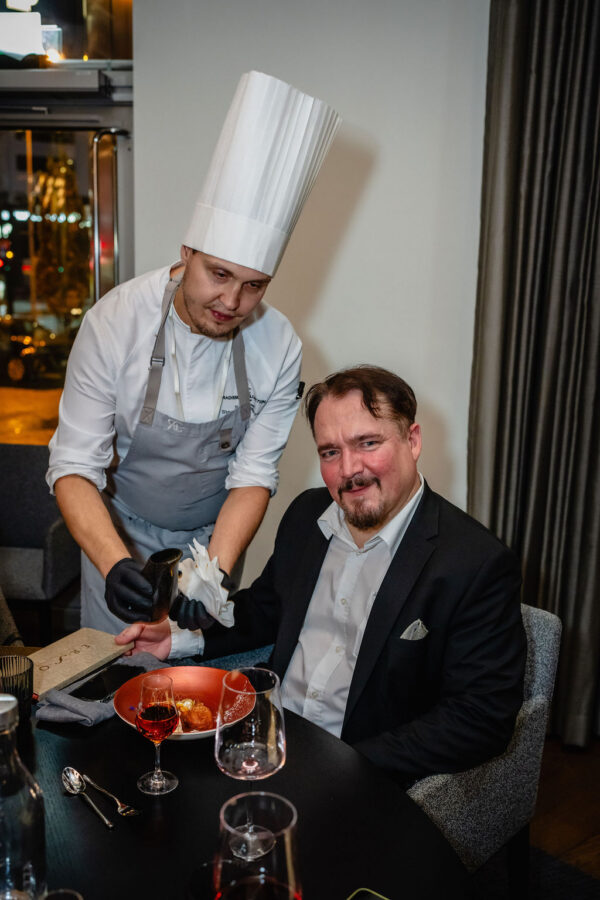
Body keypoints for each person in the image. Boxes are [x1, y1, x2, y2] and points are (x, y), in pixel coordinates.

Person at [116, 365, 527, 787]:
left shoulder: (475, 563)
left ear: (413, 440)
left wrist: (345, 766)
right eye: (330, 452)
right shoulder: (306, 515)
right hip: (265, 740)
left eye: (368, 443)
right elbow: (266, 609)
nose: (349, 469)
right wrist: (178, 638)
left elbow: (481, 718)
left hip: (361, 776)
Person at [46, 71, 341, 635]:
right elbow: (74, 466)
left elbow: (253, 475)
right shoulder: (114, 324)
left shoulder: (279, 345)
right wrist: (114, 565)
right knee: (117, 670)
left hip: (212, 541)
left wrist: (214, 572)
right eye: (219, 274)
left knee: (196, 671)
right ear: (186, 252)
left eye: (254, 285)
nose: (232, 302)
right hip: (117, 533)